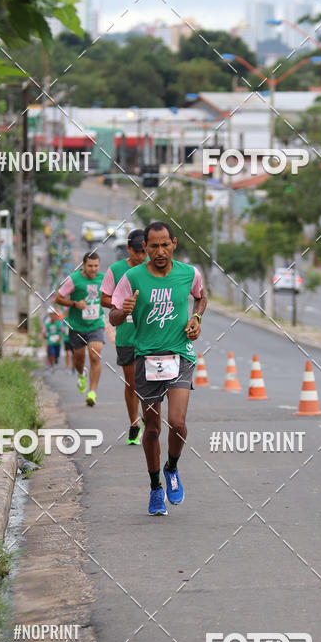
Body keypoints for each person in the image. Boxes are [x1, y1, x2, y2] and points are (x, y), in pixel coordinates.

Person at [110, 221, 207, 515]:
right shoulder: (132, 277)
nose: (160, 251)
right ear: (145, 248)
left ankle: (172, 467)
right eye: (154, 246)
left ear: (174, 244)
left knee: (177, 423)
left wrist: (196, 319)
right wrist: (122, 312)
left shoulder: (189, 273)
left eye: (165, 245)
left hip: (180, 355)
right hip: (147, 359)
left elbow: (201, 297)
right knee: (152, 427)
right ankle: (155, 487)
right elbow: (113, 315)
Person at [100, 229, 147, 445]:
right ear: (128, 249)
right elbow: (104, 298)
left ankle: (149, 417)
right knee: (132, 383)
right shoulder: (116, 270)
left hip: (150, 335)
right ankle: (134, 423)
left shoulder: (153, 268)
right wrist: (122, 304)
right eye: (137, 251)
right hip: (126, 336)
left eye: (144, 251)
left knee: (151, 382)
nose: (141, 256)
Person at [55, 251, 105, 406]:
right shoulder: (73, 279)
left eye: (96, 266)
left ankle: (92, 393)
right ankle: (81, 374)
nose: (93, 269)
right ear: (83, 265)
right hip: (77, 326)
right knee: (79, 359)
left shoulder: (103, 279)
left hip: (96, 324)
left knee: (95, 356)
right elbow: (58, 298)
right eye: (90, 266)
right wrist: (75, 304)